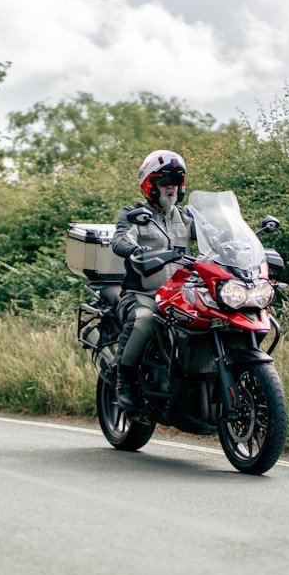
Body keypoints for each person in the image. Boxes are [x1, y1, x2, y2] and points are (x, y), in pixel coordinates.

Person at [110, 150, 195, 411]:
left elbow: (214, 236)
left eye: (176, 181)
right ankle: (123, 380)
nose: (171, 186)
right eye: (164, 180)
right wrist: (134, 249)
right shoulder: (133, 213)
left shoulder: (186, 216)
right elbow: (121, 238)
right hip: (144, 294)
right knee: (144, 321)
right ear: (150, 185)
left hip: (182, 294)